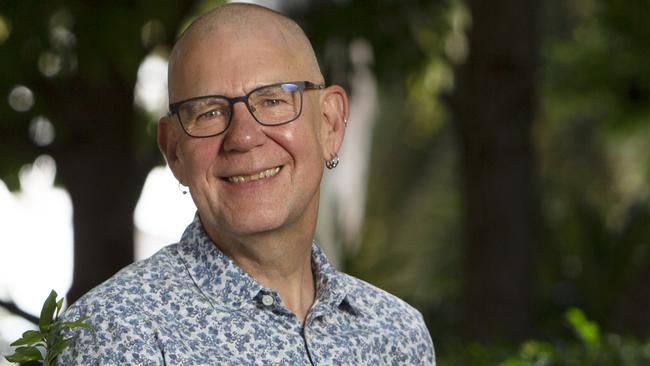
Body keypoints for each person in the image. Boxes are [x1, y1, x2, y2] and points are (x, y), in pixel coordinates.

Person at [59, 3, 435, 365]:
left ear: (330, 124)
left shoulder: (397, 334)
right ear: (174, 151)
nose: (243, 136)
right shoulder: (117, 331)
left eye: (273, 100)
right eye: (209, 112)